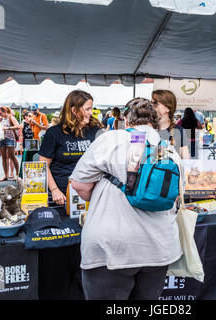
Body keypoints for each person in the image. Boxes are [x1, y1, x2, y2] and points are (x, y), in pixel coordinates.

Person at [70, 98, 182, 300]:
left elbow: (79, 185)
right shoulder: (169, 150)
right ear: (155, 122)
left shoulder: (109, 139)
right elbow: (175, 198)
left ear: (126, 120)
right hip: (158, 249)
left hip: (111, 247)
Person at [38, 90, 103, 205]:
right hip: (61, 195)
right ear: (74, 110)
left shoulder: (96, 131)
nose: (91, 113)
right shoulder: (54, 132)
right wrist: (54, 190)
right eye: (87, 109)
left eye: (91, 109)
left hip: (90, 194)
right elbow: (43, 166)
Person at [151, 90, 190, 159]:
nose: (151, 106)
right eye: (151, 103)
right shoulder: (147, 130)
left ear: (168, 108)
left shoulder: (179, 131)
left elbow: (186, 160)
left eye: (155, 103)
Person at [0, 106, 20, 181]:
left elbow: (18, 126)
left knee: (12, 156)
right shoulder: (0, 119)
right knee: (4, 157)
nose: (0, 114)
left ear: (5, 111)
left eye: (1, 113)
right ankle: (6, 175)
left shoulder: (11, 117)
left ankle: (17, 174)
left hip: (10, 139)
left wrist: (7, 128)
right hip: (1, 139)